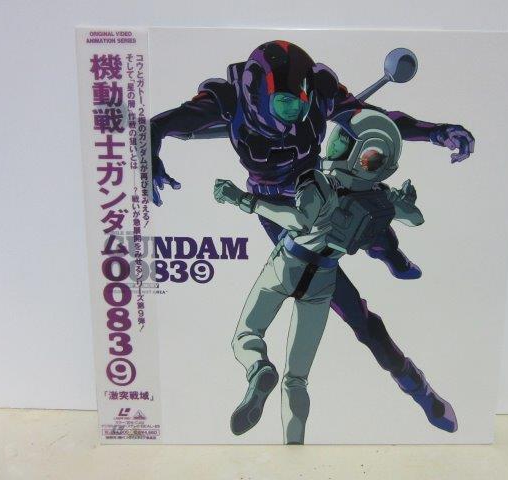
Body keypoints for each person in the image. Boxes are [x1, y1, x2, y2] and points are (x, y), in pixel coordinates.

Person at [152, 40, 472, 432]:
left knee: (374, 210)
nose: (296, 118)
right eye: (287, 104)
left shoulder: (317, 92)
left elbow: (376, 121)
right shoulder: (230, 97)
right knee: (350, 303)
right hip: (281, 210)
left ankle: (389, 255)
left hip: (320, 189)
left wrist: (436, 132)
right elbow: (164, 123)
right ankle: (418, 387)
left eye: (302, 105)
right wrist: (152, 143)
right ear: (257, 94)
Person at [214, 110, 456, 444]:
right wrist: (402, 201)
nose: (337, 146)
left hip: (288, 264)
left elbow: (298, 220)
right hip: (324, 279)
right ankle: (294, 442)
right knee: (297, 379)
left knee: (247, 334)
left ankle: (259, 368)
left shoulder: (319, 182)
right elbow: (414, 218)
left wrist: (244, 201)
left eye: (347, 143)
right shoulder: (379, 194)